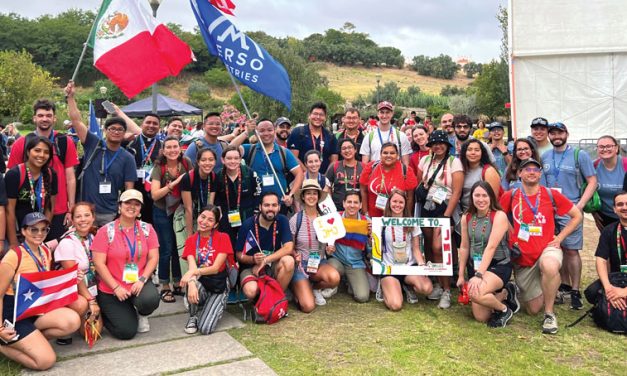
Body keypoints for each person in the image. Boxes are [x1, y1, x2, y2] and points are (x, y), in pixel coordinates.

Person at [499, 158, 582, 334]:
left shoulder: (550, 194)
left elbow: (576, 216)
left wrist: (559, 238)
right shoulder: (512, 195)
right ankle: (520, 289)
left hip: (547, 248)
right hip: (523, 256)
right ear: (519, 173)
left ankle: (549, 314)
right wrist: (511, 231)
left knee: (550, 266)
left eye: (535, 170)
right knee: (532, 309)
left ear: (540, 174)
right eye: (527, 169)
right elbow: (497, 214)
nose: (531, 172)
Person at [0, 212, 81, 370]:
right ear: (23, 231)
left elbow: (46, 283)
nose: (39, 233)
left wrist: (72, 278)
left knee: (72, 321)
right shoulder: (13, 256)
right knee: (46, 361)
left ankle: (30, 341)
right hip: (15, 315)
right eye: (34, 229)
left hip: (34, 309)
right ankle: (3, 346)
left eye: (44, 229)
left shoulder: (45, 252)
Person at [541, 122, 597, 310]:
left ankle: (575, 289)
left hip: (570, 209)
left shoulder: (579, 155)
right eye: (553, 133)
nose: (556, 136)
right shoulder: (545, 156)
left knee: (571, 250)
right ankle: (563, 285)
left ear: (566, 133)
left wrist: (579, 204)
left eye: (560, 132)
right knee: (556, 247)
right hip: (551, 210)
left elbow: (592, 181)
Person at [7, 98, 81, 241]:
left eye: (48, 115)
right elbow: (12, 176)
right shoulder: (21, 143)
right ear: (34, 118)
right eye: (40, 115)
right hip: (27, 209)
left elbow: (70, 177)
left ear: (54, 119)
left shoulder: (65, 142)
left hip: (57, 208)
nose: (44, 119)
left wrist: (71, 208)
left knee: (54, 253)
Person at [92, 189, 160, 339]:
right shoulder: (105, 231)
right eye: (127, 203)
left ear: (140, 209)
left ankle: (140, 312)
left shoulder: (147, 229)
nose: (132, 206)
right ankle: (109, 311)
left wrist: (142, 279)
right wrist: (116, 287)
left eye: (136, 204)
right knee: (126, 332)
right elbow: (99, 263)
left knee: (150, 300)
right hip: (111, 288)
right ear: (119, 206)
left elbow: (153, 258)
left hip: (137, 282)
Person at [66, 83, 137, 226]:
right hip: (85, 212)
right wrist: (70, 98)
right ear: (105, 130)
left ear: (124, 133)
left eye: (120, 129)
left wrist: (125, 213)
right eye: (112, 128)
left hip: (110, 214)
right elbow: (76, 121)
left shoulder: (128, 158)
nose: (116, 132)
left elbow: (129, 189)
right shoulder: (93, 143)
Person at [456, 182, 518, 328]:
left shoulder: (499, 216)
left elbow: (491, 247)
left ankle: (505, 310)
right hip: (476, 265)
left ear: (491, 197)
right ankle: (504, 293)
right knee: (481, 317)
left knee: (476, 294)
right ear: (471, 197)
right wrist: (460, 275)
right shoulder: (467, 217)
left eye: (485, 195)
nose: (481, 199)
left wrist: (478, 276)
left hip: (498, 265)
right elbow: (464, 247)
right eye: (477, 195)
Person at [415, 130, 463, 309]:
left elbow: (456, 191)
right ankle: (435, 282)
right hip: (427, 206)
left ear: (447, 145)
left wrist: (446, 216)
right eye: (434, 143)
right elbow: (421, 184)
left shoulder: (454, 162)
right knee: (428, 245)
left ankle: (446, 289)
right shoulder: (425, 161)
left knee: (439, 248)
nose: (438, 146)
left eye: (441, 143)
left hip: (444, 208)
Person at [150, 137, 193, 302]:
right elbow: (155, 195)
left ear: (180, 148)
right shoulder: (159, 167)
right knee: (166, 249)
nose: (173, 150)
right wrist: (174, 183)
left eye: (175, 146)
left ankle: (177, 281)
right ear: (163, 150)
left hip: (180, 210)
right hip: (162, 211)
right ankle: (164, 285)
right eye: (169, 147)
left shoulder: (187, 163)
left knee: (178, 247)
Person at [54, 202, 103, 345]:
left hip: (93, 286)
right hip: (74, 289)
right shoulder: (67, 242)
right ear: (72, 220)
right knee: (82, 307)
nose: (83, 220)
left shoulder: (94, 237)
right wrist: (91, 301)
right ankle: (64, 325)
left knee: (95, 333)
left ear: (93, 217)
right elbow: (73, 276)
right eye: (78, 216)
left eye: (87, 215)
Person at [180, 206, 233, 334]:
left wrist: (192, 274)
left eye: (210, 220)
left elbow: (215, 269)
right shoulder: (191, 240)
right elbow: (192, 267)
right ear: (198, 217)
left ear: (215, 224)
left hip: (218, 283)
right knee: (193, 284)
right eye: (202, 217)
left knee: (205, 329)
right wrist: (191, 283)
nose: (204, 222)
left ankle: (214, 305)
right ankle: (193, 315)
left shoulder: (223, 237)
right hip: (201, 281)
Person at [289, 180, 341, 311]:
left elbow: (329, 244)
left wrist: (330, 248)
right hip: (301, 266)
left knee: (334, 278)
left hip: (319, 263)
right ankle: (296, 288)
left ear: (318, 197)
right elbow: (290, 246)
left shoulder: (326, 218)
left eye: (314, 194)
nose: (311, 197)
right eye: (308, 193)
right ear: (302, 196)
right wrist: (295, 256)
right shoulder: (296, 219)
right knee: (308, 307)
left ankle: (314, 287)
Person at [378, 189, 432, 311]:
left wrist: (421, 265)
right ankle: (388, 288)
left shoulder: (411, 222)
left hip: (408, 266)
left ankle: (406, 286)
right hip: (390, 267)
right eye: (394, 201)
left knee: (426, 288)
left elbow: (416, 249)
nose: (397, 205)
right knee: (395, 305)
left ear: (405, 204)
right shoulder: (381, 222)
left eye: (401, 202)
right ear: (389, 203)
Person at [235, 192, 295, 299]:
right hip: (252, 267)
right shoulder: (248, 224)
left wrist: (265, 260)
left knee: (289, 261)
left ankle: (274, 301)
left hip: (272, 264)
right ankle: (265, 301)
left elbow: (289, 247)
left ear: (279, 207)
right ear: (260, 207)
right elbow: (239, 255)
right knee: (251, 290)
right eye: (266, 205)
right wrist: (253, 259)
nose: (270, 208)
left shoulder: (282, 220)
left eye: (274, 205)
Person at [5, 137, 58, 248]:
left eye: (46, 152)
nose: (42, 155)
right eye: (37, 150)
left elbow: (50, 208)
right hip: (18, 234)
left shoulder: (51, 174)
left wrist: (42, 234)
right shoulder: (15, 174)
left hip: (39, 236)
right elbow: (9, 211)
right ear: (28, 152)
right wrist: (13, 241)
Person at [241, 120, 303, 212]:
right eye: (261, 131)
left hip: (279, 204)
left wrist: (290, 194)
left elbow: (299, 173)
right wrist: (246, 132)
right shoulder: (250, 149)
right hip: (255, 204)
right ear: (256, 132)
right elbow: (229, 149)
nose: (266, 133)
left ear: (274, 131)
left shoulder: (284, 152)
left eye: (269, 130)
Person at [326, 192, 371, 303]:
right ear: (344, 203)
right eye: (349, 202)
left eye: (355, 202)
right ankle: (335, 283)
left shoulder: (367, 222)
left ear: (360, 205)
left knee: (362, 297)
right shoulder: (334, 218)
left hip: (355, 263)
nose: (352, 205)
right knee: (333, 269)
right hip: (336, 260)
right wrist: (328, 249)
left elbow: (371, 250)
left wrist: (371, 237)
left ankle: (349, 281)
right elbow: (325, 238)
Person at [119, 112, 163, 223]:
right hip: (131, 189)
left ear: (159, 127)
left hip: (152, 192)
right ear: (142, 124)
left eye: (155, 123)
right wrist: (122, 140)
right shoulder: (129, 142)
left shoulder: (163, 146)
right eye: (148, 122)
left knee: (150, 223)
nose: (151, 125)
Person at [359, 142, 418, 218]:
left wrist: (405, 217)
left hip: (396, 217)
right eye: (385, 153)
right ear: (380, 155)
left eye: (392, 153)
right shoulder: (371, 167)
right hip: (372, 217)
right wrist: (365, 212)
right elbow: (363, 190)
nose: (388, 155)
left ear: (397, 155)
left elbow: (410, 198)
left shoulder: (406, 170)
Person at [214, 146, 258, 246]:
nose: (232, 161)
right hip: (226, 219)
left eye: (236, 158)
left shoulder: (249, 173)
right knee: (228, 247)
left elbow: (257, 194)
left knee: (247, 248)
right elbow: (216, 198)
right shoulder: (218, 176)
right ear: (222, 160)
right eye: (229, 158)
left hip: (247, 217)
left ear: (240, 159)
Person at [594, 191, 627, 311]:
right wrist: (609, 289)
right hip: (617, 279)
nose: (624, 207)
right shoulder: (609, 230)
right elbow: (601, 260)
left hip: (622, 287)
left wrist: (624, 292)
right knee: (592, 292)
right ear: (614, 209)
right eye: (620, 204)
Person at [288, 102, 338, 173]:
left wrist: (325, 177)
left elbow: (334, 161)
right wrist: (308, 174)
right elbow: (293, 157)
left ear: (325, 117)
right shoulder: (298, 132)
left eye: (321, 115)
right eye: (315, 114)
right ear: (309, 115)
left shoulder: (330, 136)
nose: (318, 117)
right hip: (302, 178)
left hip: (323, 179)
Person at [359, 101, 412, 165]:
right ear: (378, 114)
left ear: (392, 114)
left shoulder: (401, 136)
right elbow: (365, 165)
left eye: (387, 112)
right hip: (375, 173)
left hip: (395, 174)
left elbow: (405, 165)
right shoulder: (368, 137)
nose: (384, 116)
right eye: (382, 112)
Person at [180, 148, 218, 237]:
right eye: (203, 160)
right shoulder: (188, 178)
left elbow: (210, 204)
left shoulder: (213, 177)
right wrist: (189, 236)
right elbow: (188, 209)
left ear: (215, 162)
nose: (207, 163)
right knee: (186, 248)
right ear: (198, 162)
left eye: (211, 160)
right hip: (186, 216)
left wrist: (208, 230)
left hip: (204, 216)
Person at [592, 135, 626, 230]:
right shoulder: (593, 166)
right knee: (609, 243)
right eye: (601, 147)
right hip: (605, 216)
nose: (605, 149)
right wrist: (594, 213)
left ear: (616, 148)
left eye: (609, 146)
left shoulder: (625, 165)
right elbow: (587, 191)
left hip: (625, 214)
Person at [459, 139, 501, 212]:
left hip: (483, 216)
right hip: (465, 214)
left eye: (477, 150)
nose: (473, 153)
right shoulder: (461, 170)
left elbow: (493, 199)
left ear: (482, 153)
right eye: (469, 150)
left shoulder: (489, 171)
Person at [326, 138, 363, 211]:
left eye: (350, 147)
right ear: (340, 152)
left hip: (358, 209)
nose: (347, 150)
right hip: (337, 209)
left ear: (355, 150)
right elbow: (327, 187)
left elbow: (366, 190)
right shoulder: (334, 166)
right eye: (344, 148)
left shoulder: (363, 167)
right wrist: (330, 206)